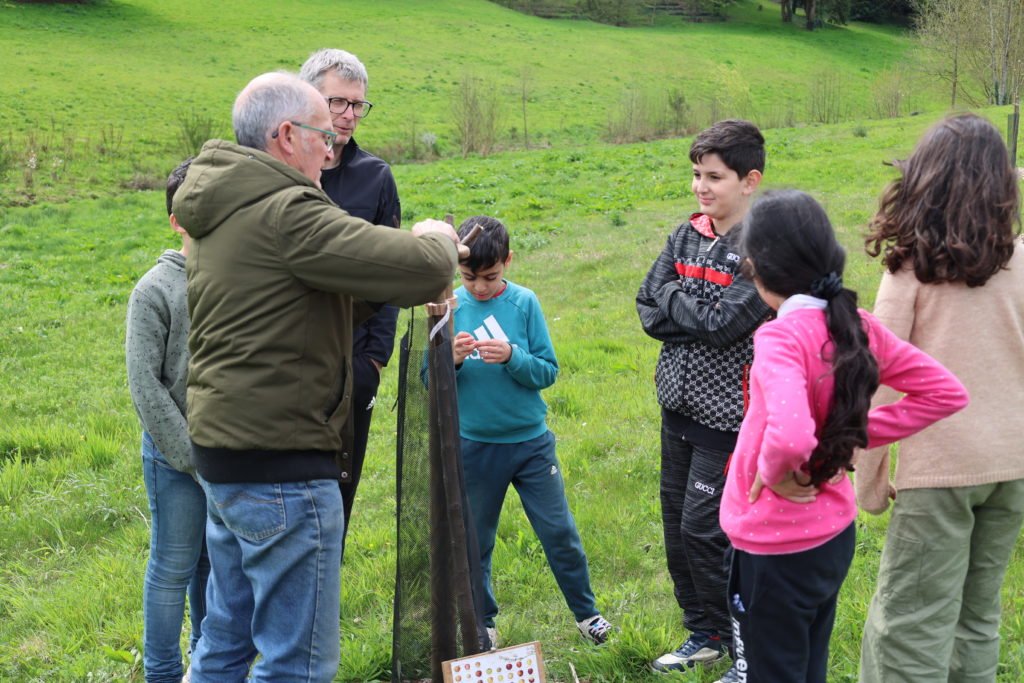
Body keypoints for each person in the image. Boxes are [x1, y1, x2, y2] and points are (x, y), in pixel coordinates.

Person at [171, 71, 460, 683]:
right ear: (285, 136)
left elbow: (286, 306)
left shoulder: (223, 205)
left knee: (223, 643)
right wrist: (436, 237)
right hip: (283, 466)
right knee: (296, 664)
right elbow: (424, 267)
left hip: (227, 456)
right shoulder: (286, 210)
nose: (332, 151)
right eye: (323, 136)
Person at [719, 189, 968, 683]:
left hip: (774, 547)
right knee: (809, 663)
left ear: (759, 270)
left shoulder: (780, 338)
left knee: (772, 670)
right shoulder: (858, 326)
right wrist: (846, 436)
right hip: (830, 537)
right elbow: (946, 392)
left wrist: (776, 472)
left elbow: (790, 438)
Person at [857, 113, 1024, 683]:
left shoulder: (909, 270)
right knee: (978, 617)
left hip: (940, 473)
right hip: (1012, 468)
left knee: (910, 625)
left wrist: (870, 481)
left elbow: (875, 378)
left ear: (925, 182)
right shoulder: (1023, 260)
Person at [636, 119, 769, 682]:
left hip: (728, 418)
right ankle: (705, 634)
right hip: (677, 407)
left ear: (749, 180)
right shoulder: (684, 234)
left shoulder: (762, 247)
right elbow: (646, 307)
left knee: (704, 530)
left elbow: (726, 326)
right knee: (675, 528)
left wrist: (674, 296)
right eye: (696, 174)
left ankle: (742, 645)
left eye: (713, 176)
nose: (701, 187)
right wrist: (679, 302)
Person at [451, 215, 613, 648]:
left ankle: (588, 615)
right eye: (469, 278)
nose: (480, 288)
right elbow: (431, 381)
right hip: (475, 448)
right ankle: (482, 623)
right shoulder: (450, 307)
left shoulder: (525, 304)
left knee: (559, 532)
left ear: (508, 262)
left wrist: (512, 356)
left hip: (530, 445)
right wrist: (452, 360)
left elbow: (547, 372)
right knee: (475, 542)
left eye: (490, 277)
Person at [300, 48, 400, 538]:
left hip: (354, 365)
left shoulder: (375, 177)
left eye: (358, 105)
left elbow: (391, 275)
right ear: (308, 99)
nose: (348, 116)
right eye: (337, 102)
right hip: (291, 363)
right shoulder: (285, 172)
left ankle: (325, 608)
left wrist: (374, 362)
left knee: (340, 494)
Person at [126, 157, 210, 683]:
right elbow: (145, 385)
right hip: (176, 458)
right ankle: (161, 672)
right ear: (175, 220)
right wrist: (189, 456)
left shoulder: (229, 285)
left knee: (214, 569)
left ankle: (208, 665)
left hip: (225, 456)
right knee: (173, 567)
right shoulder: (153, 290)